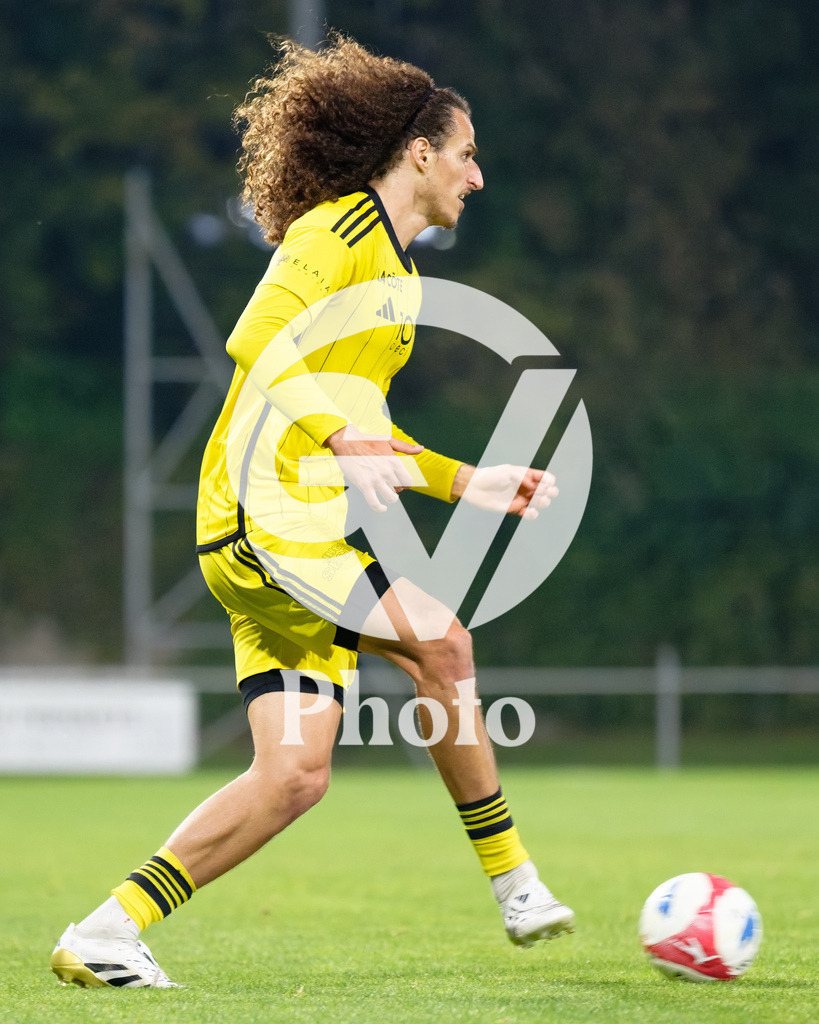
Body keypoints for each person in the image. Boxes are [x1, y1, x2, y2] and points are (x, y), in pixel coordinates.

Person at [50, 34, 574, 989]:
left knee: (293, 778)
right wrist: (332, 440)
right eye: (465, 154)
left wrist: (465, 481)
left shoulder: (400, 279)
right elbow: (255, 340)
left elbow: (361, 423)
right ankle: (516, 884)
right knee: (442, 643)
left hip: (288, 536)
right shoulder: (333, 233)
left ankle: (106, 930)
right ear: (419, 153)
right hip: (263, 525)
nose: (478, 175)